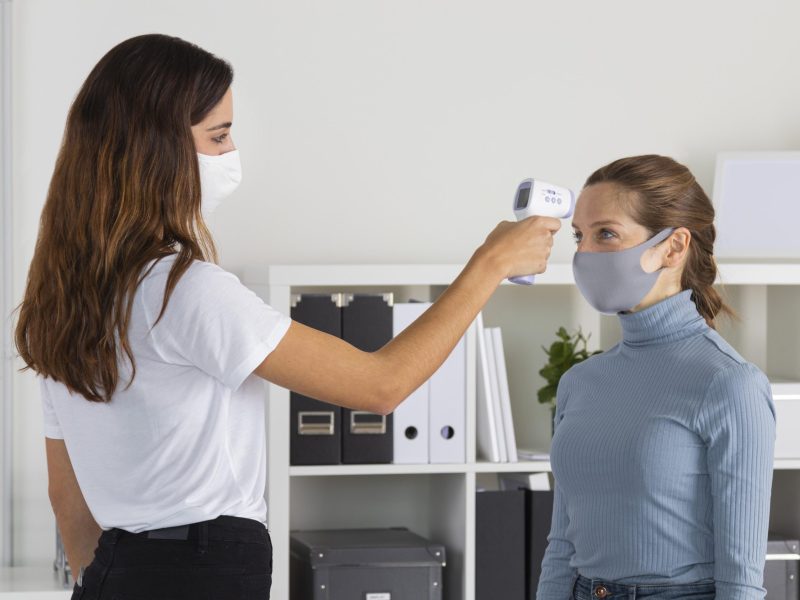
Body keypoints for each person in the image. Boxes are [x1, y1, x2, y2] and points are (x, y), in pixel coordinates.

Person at [13, 34, 560, 600]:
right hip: (200, 571)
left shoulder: (62, 301)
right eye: (218, 136)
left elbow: (67, 498)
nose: (231, 153)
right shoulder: (187, 290)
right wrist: (490, 264)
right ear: (156, 149)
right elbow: (381, 385)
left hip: (115, 572)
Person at [536, 155, 776, 600]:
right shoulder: (579, 382)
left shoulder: (729, 383)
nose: (584, 253)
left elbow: (741, 578)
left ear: (673, 247)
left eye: (606, 234)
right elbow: (562, 544)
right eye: (579, 236)